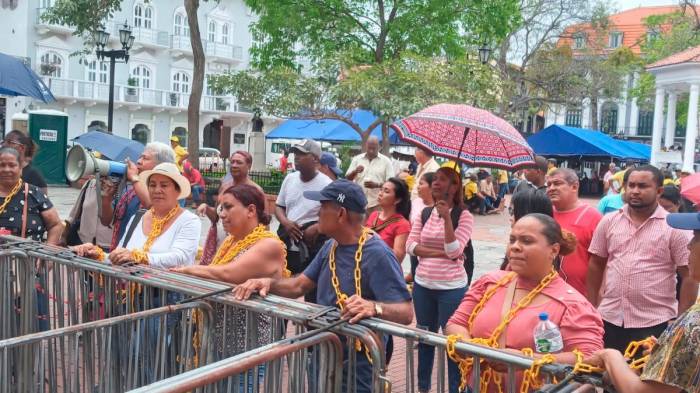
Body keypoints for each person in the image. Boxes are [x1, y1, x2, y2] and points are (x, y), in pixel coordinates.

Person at [233, 179, 413, 393]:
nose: (317, 212)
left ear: (340, 214)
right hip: (324, 355)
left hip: (358, 366)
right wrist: (266, 282)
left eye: (323, 207)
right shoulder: (331, 246)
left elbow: (405, 312)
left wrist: (374, 308)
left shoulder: (378, 254)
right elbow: (298, 286)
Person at [446, 214, 604, 393]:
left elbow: (591, 358)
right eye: (512, 240)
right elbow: (456, 323)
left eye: (527, 241)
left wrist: (525, 360)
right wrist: (471, 348)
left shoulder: (574, 304)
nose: (515, 247)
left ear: (553, 250)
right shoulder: (489, 283)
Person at [582, 209, 700, 393]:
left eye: (695, 238)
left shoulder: (692, 324)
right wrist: (666, 349)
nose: (689, 246)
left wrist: (611, 356)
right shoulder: (610, 221)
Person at [587, 165, 698, 353]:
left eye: (643, 186)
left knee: (643, 379)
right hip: (609, 318)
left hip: (655, 323)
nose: (635, 191)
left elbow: (689, 276)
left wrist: (679, 322)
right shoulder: (609, 221)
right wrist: (591, 308)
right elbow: (596, 264)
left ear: (659, 191)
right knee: (605, 376)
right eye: (631, 185)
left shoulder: (673, 227)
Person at [171, 184, 287, 359]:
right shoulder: (230, 241)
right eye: (220, 208)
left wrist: (189, 270)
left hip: (248, 352)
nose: (222, 214)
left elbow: (228, 274)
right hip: (219, 343)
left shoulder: (269, 243)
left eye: (228, 207)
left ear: (251, 210)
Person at [405, 166, 473, 393]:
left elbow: (454, 251)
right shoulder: (424, 213)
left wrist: (446, 220)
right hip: (423, 285)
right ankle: (422, 387)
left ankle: (455, 387)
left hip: (451, 288)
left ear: (454, 187)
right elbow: (411, 246)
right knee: (424, 338)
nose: (436, 182)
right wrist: (438, 253)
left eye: (443, 179)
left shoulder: (464, 215)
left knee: (452, 343)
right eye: (434, 178)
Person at [101, 142, 175, 251]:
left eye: (145, 158)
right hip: (121, 254)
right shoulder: (131, 191)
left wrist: (134, 177)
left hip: (145, 257)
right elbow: (106, 221)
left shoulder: (170, 190)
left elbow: (153, 206)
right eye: (140, 157)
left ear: (160, 165)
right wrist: (106, 199)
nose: (138, 161)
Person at [275, 139, 331, 278]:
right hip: (287, 241)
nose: (297, 157)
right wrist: (286, 223)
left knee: (306, 283)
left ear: (316, 160)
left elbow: (333, 216)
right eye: (295, 153)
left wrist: (317, 227)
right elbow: (279, 206)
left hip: (312, 246)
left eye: (302, 154)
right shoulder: (289, 179)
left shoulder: (327, 185)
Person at [198, 150, 263, 265]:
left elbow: (263, 226)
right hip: (221, 244)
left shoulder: (256, 191)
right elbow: (217, 218)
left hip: (244, 247)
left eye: (239, 162)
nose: (234, 165)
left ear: (249, 165)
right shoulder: (224, 187)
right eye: (232, 162)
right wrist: (207, 208)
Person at [546, 168, 602, 297]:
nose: (551, 188)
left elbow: (602, 262)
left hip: (580, 295)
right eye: (548, 185)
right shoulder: (544, 213)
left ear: (574, 186)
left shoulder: (593, 217)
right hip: (545, 292)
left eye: (557, 183)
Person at [365, 177, 411, 263]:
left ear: (397, 200)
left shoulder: (402, 224)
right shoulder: (374, 215)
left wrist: (375, 241)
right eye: (381, 189)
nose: (380, 194)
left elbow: (398, 257)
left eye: (386, 191)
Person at [346, 136, 394, 213]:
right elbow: (347, 179)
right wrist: (355, 171)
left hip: (378, 204)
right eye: (369, 148)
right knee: (359, 225)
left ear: (379, 147)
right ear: (366, 146)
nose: (371, 151)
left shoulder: (386, 161)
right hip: (359, 202)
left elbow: (391, 183)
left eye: (374, 148)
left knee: (375, 225)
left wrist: (377, 185)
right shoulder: (357, 159)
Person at [407, 171, 435, 283]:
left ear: (432, 187)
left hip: (430, 250)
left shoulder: (440, 207)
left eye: (421, 183)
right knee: (415, 275)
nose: (418, 187)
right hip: (415, 247)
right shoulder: (416, 202)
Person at [2, 130, 48, 194]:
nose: (4, 145)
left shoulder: (33, 175)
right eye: (3, 142)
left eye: (10, 142)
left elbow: (42, 200)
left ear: (22, 148)